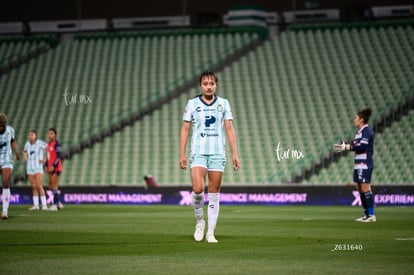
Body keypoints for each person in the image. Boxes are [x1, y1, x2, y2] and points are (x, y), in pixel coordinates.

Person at [180, 71, 240, 243]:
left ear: (216, 85)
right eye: (205, 83)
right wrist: (181, 153)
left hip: (217, 153)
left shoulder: (223, 103)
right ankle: (200, 222)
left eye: (212, 83)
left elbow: (229, 128)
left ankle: (210, 232)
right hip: (198, 151)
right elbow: (185, 129)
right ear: (201, 85)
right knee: (198, 189)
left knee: (214, 193)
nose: (209, 86)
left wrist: (234, 153)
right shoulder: (192, 104)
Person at [334, 108, 375, 222]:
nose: (354, 120)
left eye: (356, 118)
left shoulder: (366, 131)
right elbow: (355, 146)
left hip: (364, 163)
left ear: (361, 120)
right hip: (358, 163)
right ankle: (366, 214)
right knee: (359, 188)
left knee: (365, 187)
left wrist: (347, 147)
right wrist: (346, 146)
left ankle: (371, 215)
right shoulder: (359, 132)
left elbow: (362, 147)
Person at [0, 113, 20, 219]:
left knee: (5, 183)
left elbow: (13, 141)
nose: (1, 127)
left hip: (7, 160)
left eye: (2, 125)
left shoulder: (10, 130)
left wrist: (16, 152)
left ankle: (4, 211)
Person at [23, 130, 48, 211]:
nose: (30, 136)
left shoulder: (40, 143)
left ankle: (44, 205)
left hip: (38, 167)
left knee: (39, 186)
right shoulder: (27, 144)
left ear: (35, 136)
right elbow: (24, 151)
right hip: (29, 167)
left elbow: (49, 148)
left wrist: (45, 158)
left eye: (32, 135)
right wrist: (25, 157)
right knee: (33, 186)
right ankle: (36, 205)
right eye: (29, 135)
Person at [45, 128, 63, 211]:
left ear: (55, 135)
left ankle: (55, 205)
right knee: (50, 186)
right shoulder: (48, 144)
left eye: (51, 133)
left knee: (54, 186)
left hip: (56, 168)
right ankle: (58, 203)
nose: (49, 135)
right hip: (50, 167)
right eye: (48, 133)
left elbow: (58, 156)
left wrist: (53, 166)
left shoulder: (57, 144)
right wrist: (46, 165)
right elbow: (48, 156)